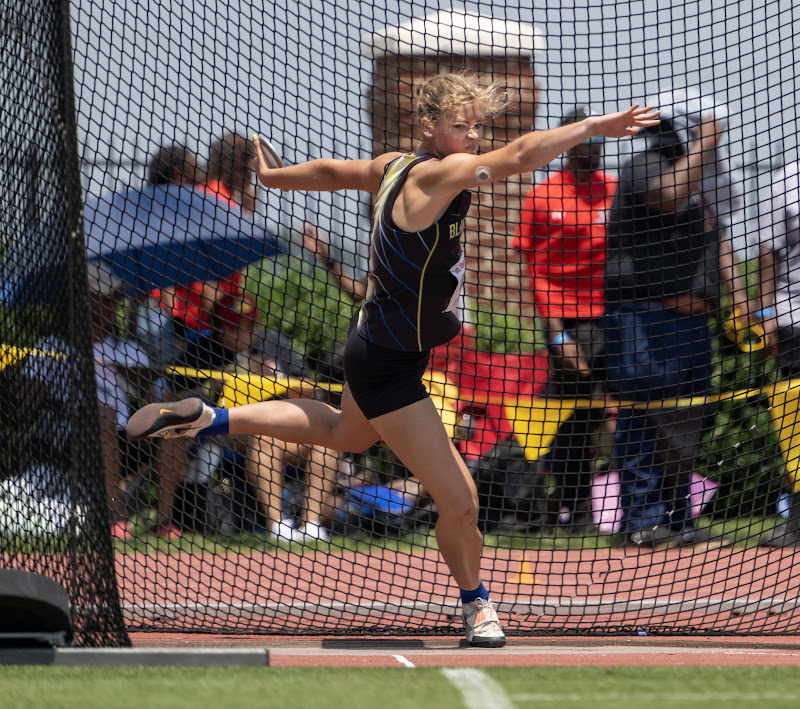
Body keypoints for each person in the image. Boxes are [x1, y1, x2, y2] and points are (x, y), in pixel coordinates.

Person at [126, 72, 659, 647]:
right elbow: (520, 156)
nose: (474, 137)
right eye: (461, 126)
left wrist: (276, 177)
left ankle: (209, 418)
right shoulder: (437, 173)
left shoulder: (392, 166)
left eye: (478, 126)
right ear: (427, 126)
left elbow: (333, 172)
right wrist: (594, 126)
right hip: (391, 362)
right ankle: (477, 605)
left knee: (345, 433)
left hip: (375, 343)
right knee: (462, 503)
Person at [603, 97, 743, 547]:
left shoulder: (701, 180)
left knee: (687, 422)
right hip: (645, 319)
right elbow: (668, 196)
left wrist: (740, 299)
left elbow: (718, 237)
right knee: (646, 418)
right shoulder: (644, 166)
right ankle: (642, 521)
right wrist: (705, 143)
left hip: (693, 325)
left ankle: (679, 518)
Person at [511, 106, 618, 533]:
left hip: (615, 314)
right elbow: (533, 270)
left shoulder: (615, 189)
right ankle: (568, 509)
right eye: (587, 142)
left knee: (613, 412)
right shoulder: (543, 195)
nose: (596, 149)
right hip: (566, 319)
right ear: (569, 145)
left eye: (600, 142)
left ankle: (622, 506)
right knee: (572, 415)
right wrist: (557, 337)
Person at [170, 292, 338, 542]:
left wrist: (273, 379)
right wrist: (209, 386)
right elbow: (171, 394)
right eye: (235, 327)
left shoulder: (273, 342)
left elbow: (310, 390)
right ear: (219, 327)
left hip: (283, 427)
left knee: (326, 443)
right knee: (264, 439)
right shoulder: (203, 350)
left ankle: (311, 527)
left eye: (249, 325)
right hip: (227, 431)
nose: (244, 333)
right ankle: (278, 526)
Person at [753, 160, 800, 546]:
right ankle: (796, 520)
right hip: (794, 318)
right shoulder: (786, 179)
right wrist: (766, 315)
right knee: (796, 426)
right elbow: (768, 252)